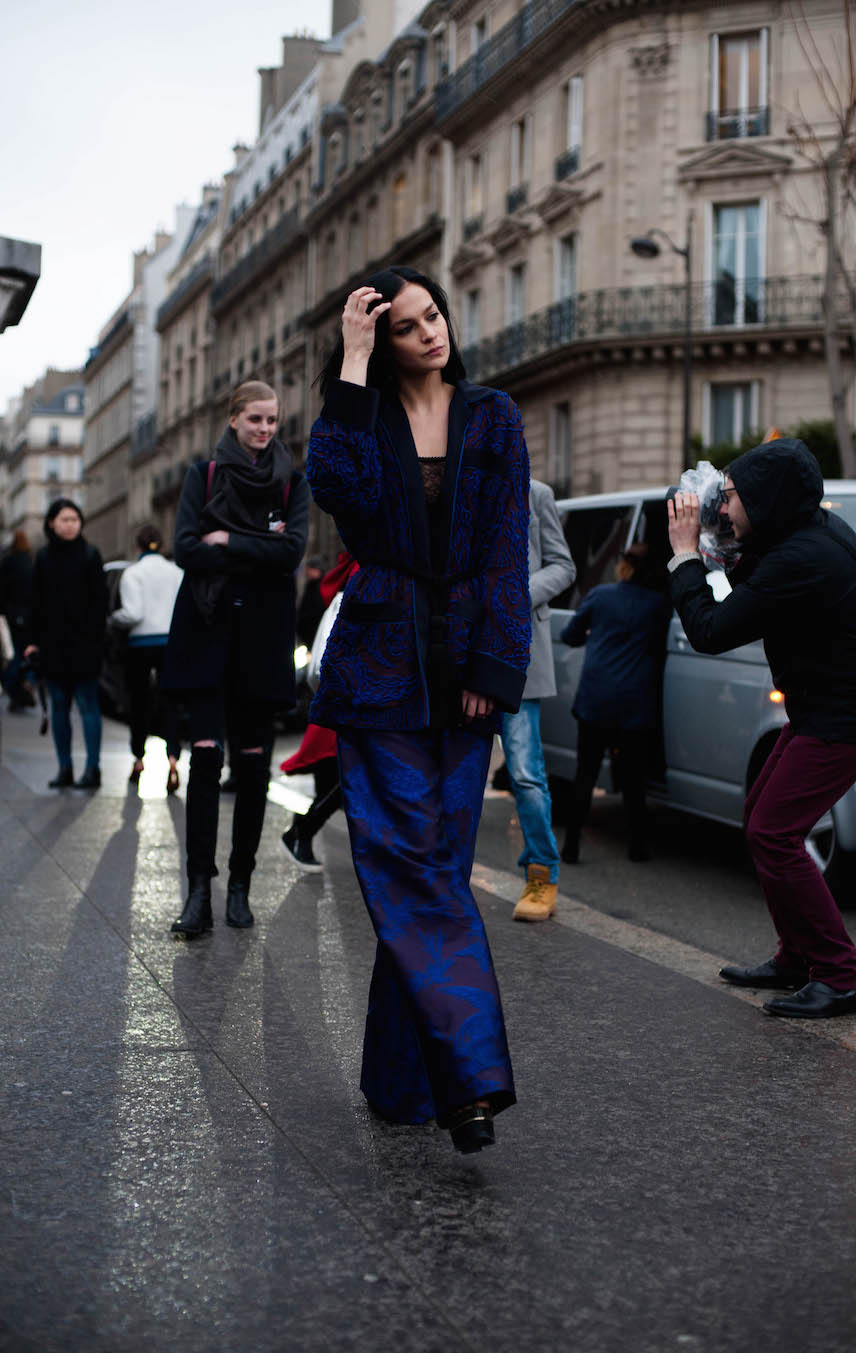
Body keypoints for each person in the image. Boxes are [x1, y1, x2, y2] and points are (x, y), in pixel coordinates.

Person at [306, 266, 531, 1153]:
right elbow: (338, 490)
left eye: (432, 315)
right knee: (408, 865)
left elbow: (507, 545)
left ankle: (399, 1078)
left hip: (466, 670)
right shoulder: (362, 412)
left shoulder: (495, 415)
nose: (430, 333)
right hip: (380, 670)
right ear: (383, 340)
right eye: (407, 326)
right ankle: (468, 1078)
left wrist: (497, 662)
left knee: (431, 866)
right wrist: (353, 365)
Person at [667, 437, 856, 1019]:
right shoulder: (806, 531)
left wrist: (684, 556)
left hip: (852, 712)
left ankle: (839, 975)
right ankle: (796, 956)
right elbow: (759, 582)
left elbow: (712, 631)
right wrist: (723, 548)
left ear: (768, 499)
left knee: (774, 831)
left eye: (734, 494)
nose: (724, 503)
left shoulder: (804, 556)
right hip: (828, 703)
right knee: (762, 821)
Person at [163, 380, 308, 936]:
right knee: (204, 761)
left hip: (263, 639)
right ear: (233, 421)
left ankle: (241, 886)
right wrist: (255, 550)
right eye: (255, 420)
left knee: (252, 768)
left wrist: (228, 542)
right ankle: (199, 888)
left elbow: (291, 551)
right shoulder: (203, 477)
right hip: (206, 630)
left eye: (272, 421)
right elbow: (185, 549)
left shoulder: (292, 484)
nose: (265, 429)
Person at [559, 544, 669, 864]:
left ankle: (571, 846)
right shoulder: (659, 605)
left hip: (595, 700)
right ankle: (637, 847)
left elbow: (569, 635)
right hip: (634, 705)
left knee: (585, 774)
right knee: (635, 780)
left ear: (624, 566)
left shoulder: (600, 596)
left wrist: (594, 633)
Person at [499, 479, 575, 922]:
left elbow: (563, 566)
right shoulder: (455, 483)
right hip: (464, 650)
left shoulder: (535, 493)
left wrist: (517, 596)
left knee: (526, 773)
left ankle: (541, 874)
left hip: (519, 650)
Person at [280, 552, 358, 872]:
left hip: (344, 699)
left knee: (354, 778)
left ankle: (302, 830)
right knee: (354, 777)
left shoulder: (351, 573)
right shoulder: (361, 574)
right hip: (352, 700)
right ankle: (301, 830)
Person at [25, 499, 106, 789]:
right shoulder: (44, 558)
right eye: (65, 519)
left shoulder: (90, 555)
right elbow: (35, 603)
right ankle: (65, 768)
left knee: (88, 708)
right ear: (51, 523)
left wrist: (97, 642)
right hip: (53, 647)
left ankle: (93, 769)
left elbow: (100, 605)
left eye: (75, 519)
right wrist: (32, 643)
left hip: (85, 647)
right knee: (59, 707)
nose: (71, 524)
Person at [110, 524, 184, 791]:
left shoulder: (133, 573)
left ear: (139, 546)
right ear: (161, 545)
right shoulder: (176, 572)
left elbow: (133, 613)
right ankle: (173, 760)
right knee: (170, 702)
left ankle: (138, 758)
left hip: (140, 644)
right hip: (170, 643)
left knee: (139, 702)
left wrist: (115, 619)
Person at [0, 530, 35, 710]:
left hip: (12, 616)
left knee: (12, 655)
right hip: (29, 616)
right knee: (26, 654)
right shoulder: (30, 562)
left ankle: (16, 691)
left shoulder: (8, 562)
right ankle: (26, 684)